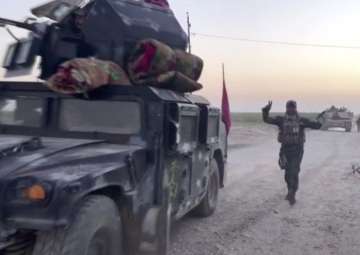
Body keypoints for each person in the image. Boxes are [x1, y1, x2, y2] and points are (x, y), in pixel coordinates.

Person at [262, 100, 322, 205]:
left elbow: (316, 126)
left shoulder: (301, 121)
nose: (290, 109)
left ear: (295, 108)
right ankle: (290, 189)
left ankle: (292, 193)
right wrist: (265, 110)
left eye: (292, 107)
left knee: (294, 171)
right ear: (286, 108)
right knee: (287, 173)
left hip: (297, 149)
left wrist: (319, 120)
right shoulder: (281, 120)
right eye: (289, 107)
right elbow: (267, 119)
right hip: (285, 149)